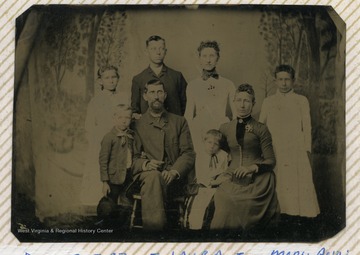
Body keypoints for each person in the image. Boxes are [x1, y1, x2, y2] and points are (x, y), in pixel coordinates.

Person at [210, 84, 279, 232]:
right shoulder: (225, 127)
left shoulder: (261, 128)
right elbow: (221, 152)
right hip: (232, 175)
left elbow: (271, 160)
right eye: (239, 100)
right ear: (233, 102)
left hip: (258, 179)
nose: (242, 105)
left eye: (247, 101)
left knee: (246, 204)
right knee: (224, 199)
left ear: (253, 104)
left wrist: (251, 168)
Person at [131, 79, 195, 230]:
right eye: (152, 92)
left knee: (158, 178)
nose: (156, 96)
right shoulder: (137, 125)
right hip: (146, 178)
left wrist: (174, 171)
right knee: (154, 176)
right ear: (145, 96)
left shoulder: (179, 122)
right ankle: (156, 233)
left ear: (165, 95)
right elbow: (132, 159)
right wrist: (146, 164)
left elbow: (188, 153)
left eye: (159, 92)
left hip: (173, 180)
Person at [259, 65, 320, 222]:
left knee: (297, 180)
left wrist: (307, 149)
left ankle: (297, 215)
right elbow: (261, 126)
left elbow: (307, 127)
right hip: (276, 146)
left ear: (293, 80)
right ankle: (279, 212)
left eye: (287, 79)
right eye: (280, 79)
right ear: (275, 81)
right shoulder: (268, 101)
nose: (284, 83)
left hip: (295, 147)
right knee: (278, 177)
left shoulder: (301, 101)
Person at [81, 65, 129, 212]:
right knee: (101, 170)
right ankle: (100, 207)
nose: (111, 81)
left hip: (120, 141)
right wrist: (97, 143)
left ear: (118, 79)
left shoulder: (123, 98)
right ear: (100, 81)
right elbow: (89, 126)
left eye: (114, 77)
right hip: (102, 142)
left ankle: (118, 205)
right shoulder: (96, 101)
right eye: (107, 78)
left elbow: (126, 118)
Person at [184, 40, 235, 152]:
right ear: (199, 58)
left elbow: (235, 115)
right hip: (199, 131)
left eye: (212, 56)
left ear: (218, 58)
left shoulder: (228, 84)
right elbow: (188, 116)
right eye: (204, 56)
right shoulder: (192, 85)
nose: (208, 60)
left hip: (220, 129)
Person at [131, 35, 187, 118]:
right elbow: (135, 111)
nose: (158, 52)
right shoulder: (138, 79)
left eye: (161, 48)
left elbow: (186, 106)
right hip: (149, 128)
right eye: (153, 49)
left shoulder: (177, 76)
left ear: (165, 51)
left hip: (173, 127)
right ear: (146, 52)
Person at [185, 129, 229, 230]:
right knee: (200, 202)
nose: (212, 146)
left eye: (216, 144)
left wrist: (218, 181)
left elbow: (224, 172)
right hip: (201, 184)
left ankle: (210, 225)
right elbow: (200, 175)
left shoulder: (223, 155)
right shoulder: (199, 154)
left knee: (217, 200)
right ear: (204, 142)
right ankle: (195, 225)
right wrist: (211, 182)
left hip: (216, 185)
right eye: (209, 142)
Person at [99, 104, 134, 205]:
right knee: (111, 203)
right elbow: (103, 161)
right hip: (113, 178)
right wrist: (105, 182)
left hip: (128, 175)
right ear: (114, 118)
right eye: (120, 117)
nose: (124, 121)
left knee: (126, 202)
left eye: (127, 117)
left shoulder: (131, 136)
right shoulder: (109, 137)